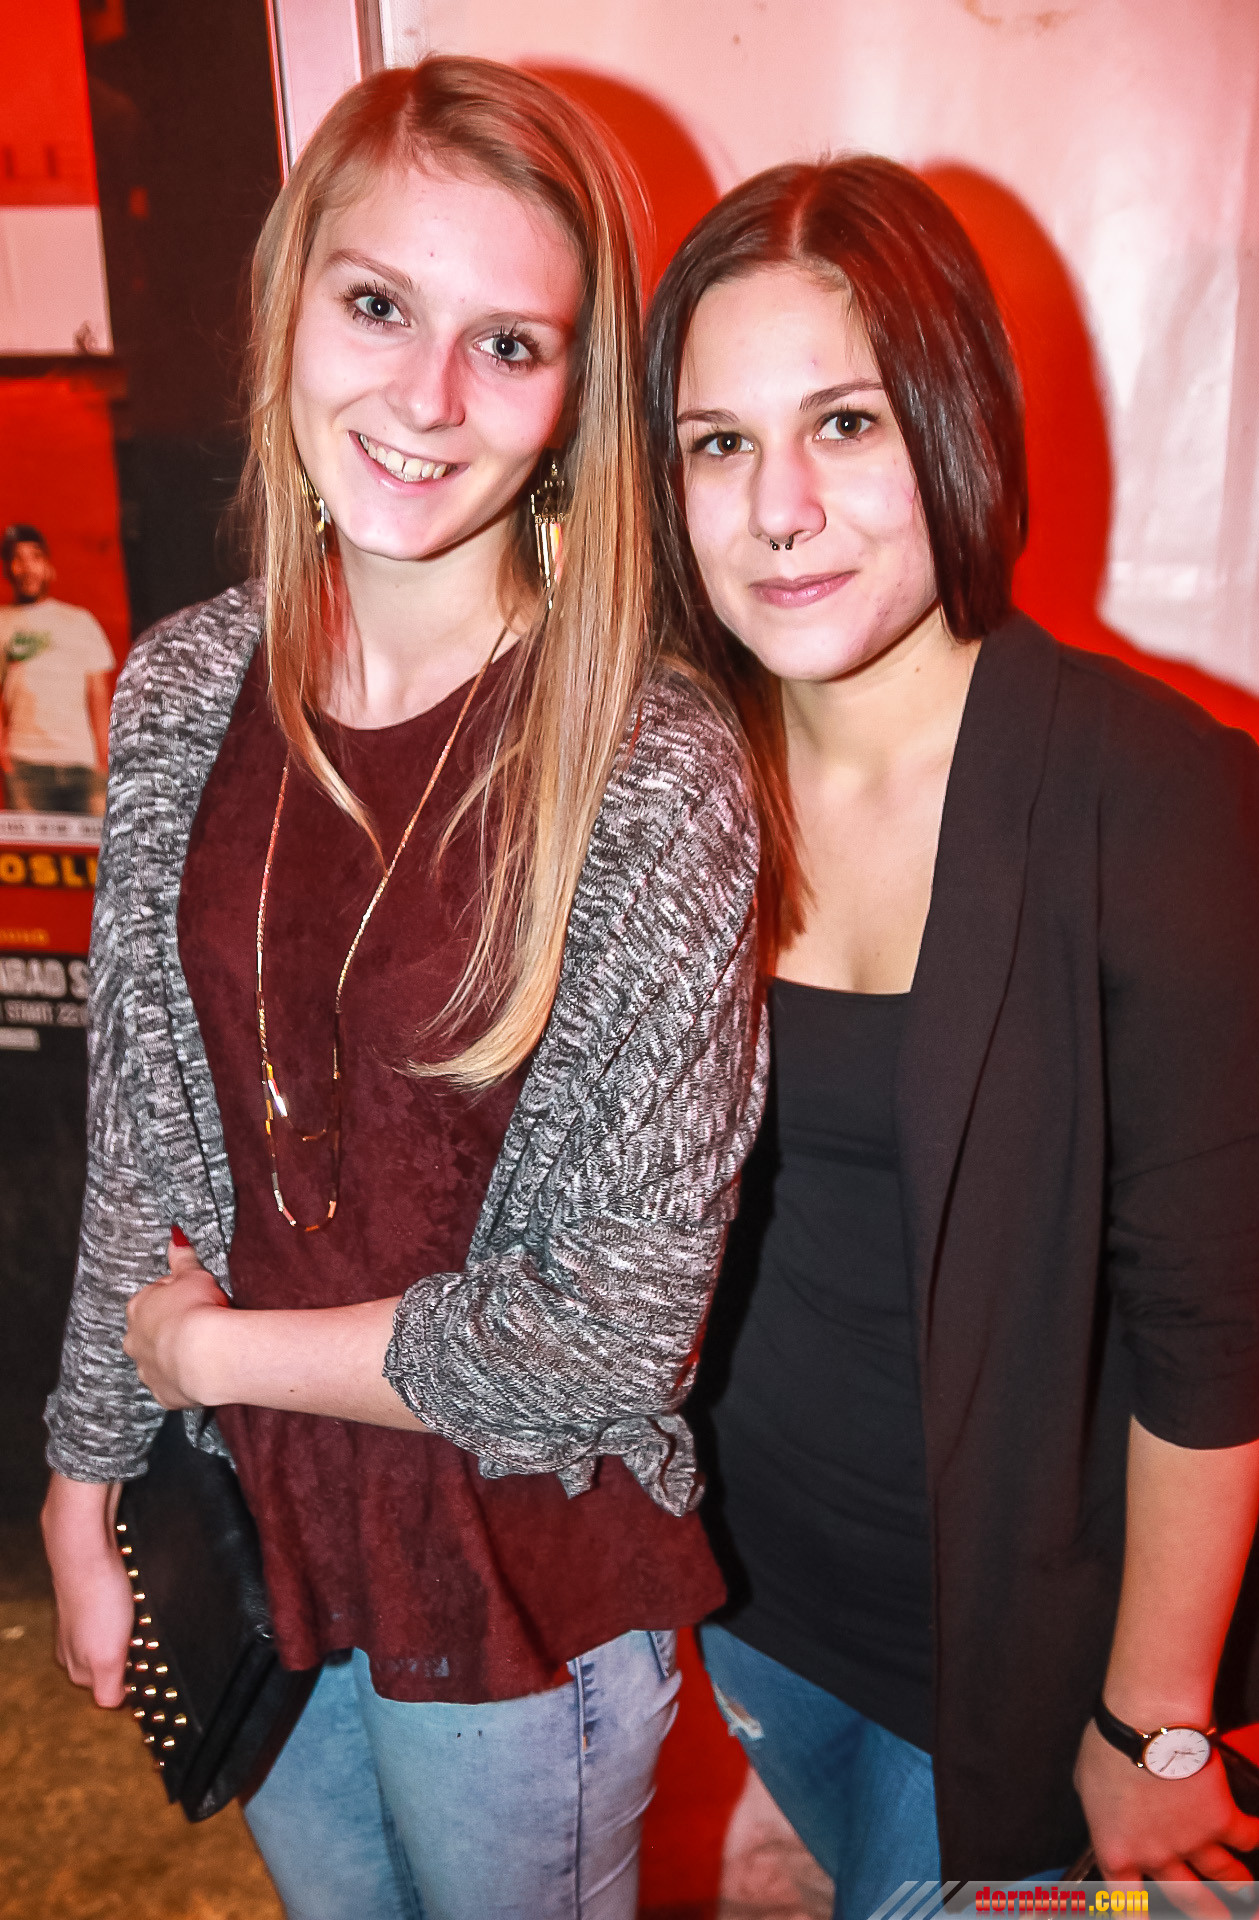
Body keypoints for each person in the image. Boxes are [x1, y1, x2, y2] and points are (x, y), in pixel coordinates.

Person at [41, 58, 767, 1920]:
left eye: (508, 344)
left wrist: (210, 1358)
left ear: (577, 396)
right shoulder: (183, 688)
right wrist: (86, 1473)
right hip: (264, 1541)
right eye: (378, 306)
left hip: (517, 1577)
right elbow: (143, 1139)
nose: (428, 400)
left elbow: (611, 1338)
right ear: (290, 302)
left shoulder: (649, 768)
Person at [643, 156, 1259, 1906]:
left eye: (844, 424)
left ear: (955, 418)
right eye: (718, 443)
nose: (779, 509)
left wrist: (1156, 1720)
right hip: (755, 1612)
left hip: (1033, 1680)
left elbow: (1214, 1328)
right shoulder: (676, 775)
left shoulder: (1160, 797)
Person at [0, 524, 113, 816]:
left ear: (48, 566)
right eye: (17, 559)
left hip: (84, 764)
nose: (27, 567)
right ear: (8, 569)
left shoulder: (79, 621)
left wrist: (103, 755)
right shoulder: (2, 622)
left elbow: (98, 694)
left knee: (97, 846)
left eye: (35, 557)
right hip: (26, 765)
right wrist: (4, 754)